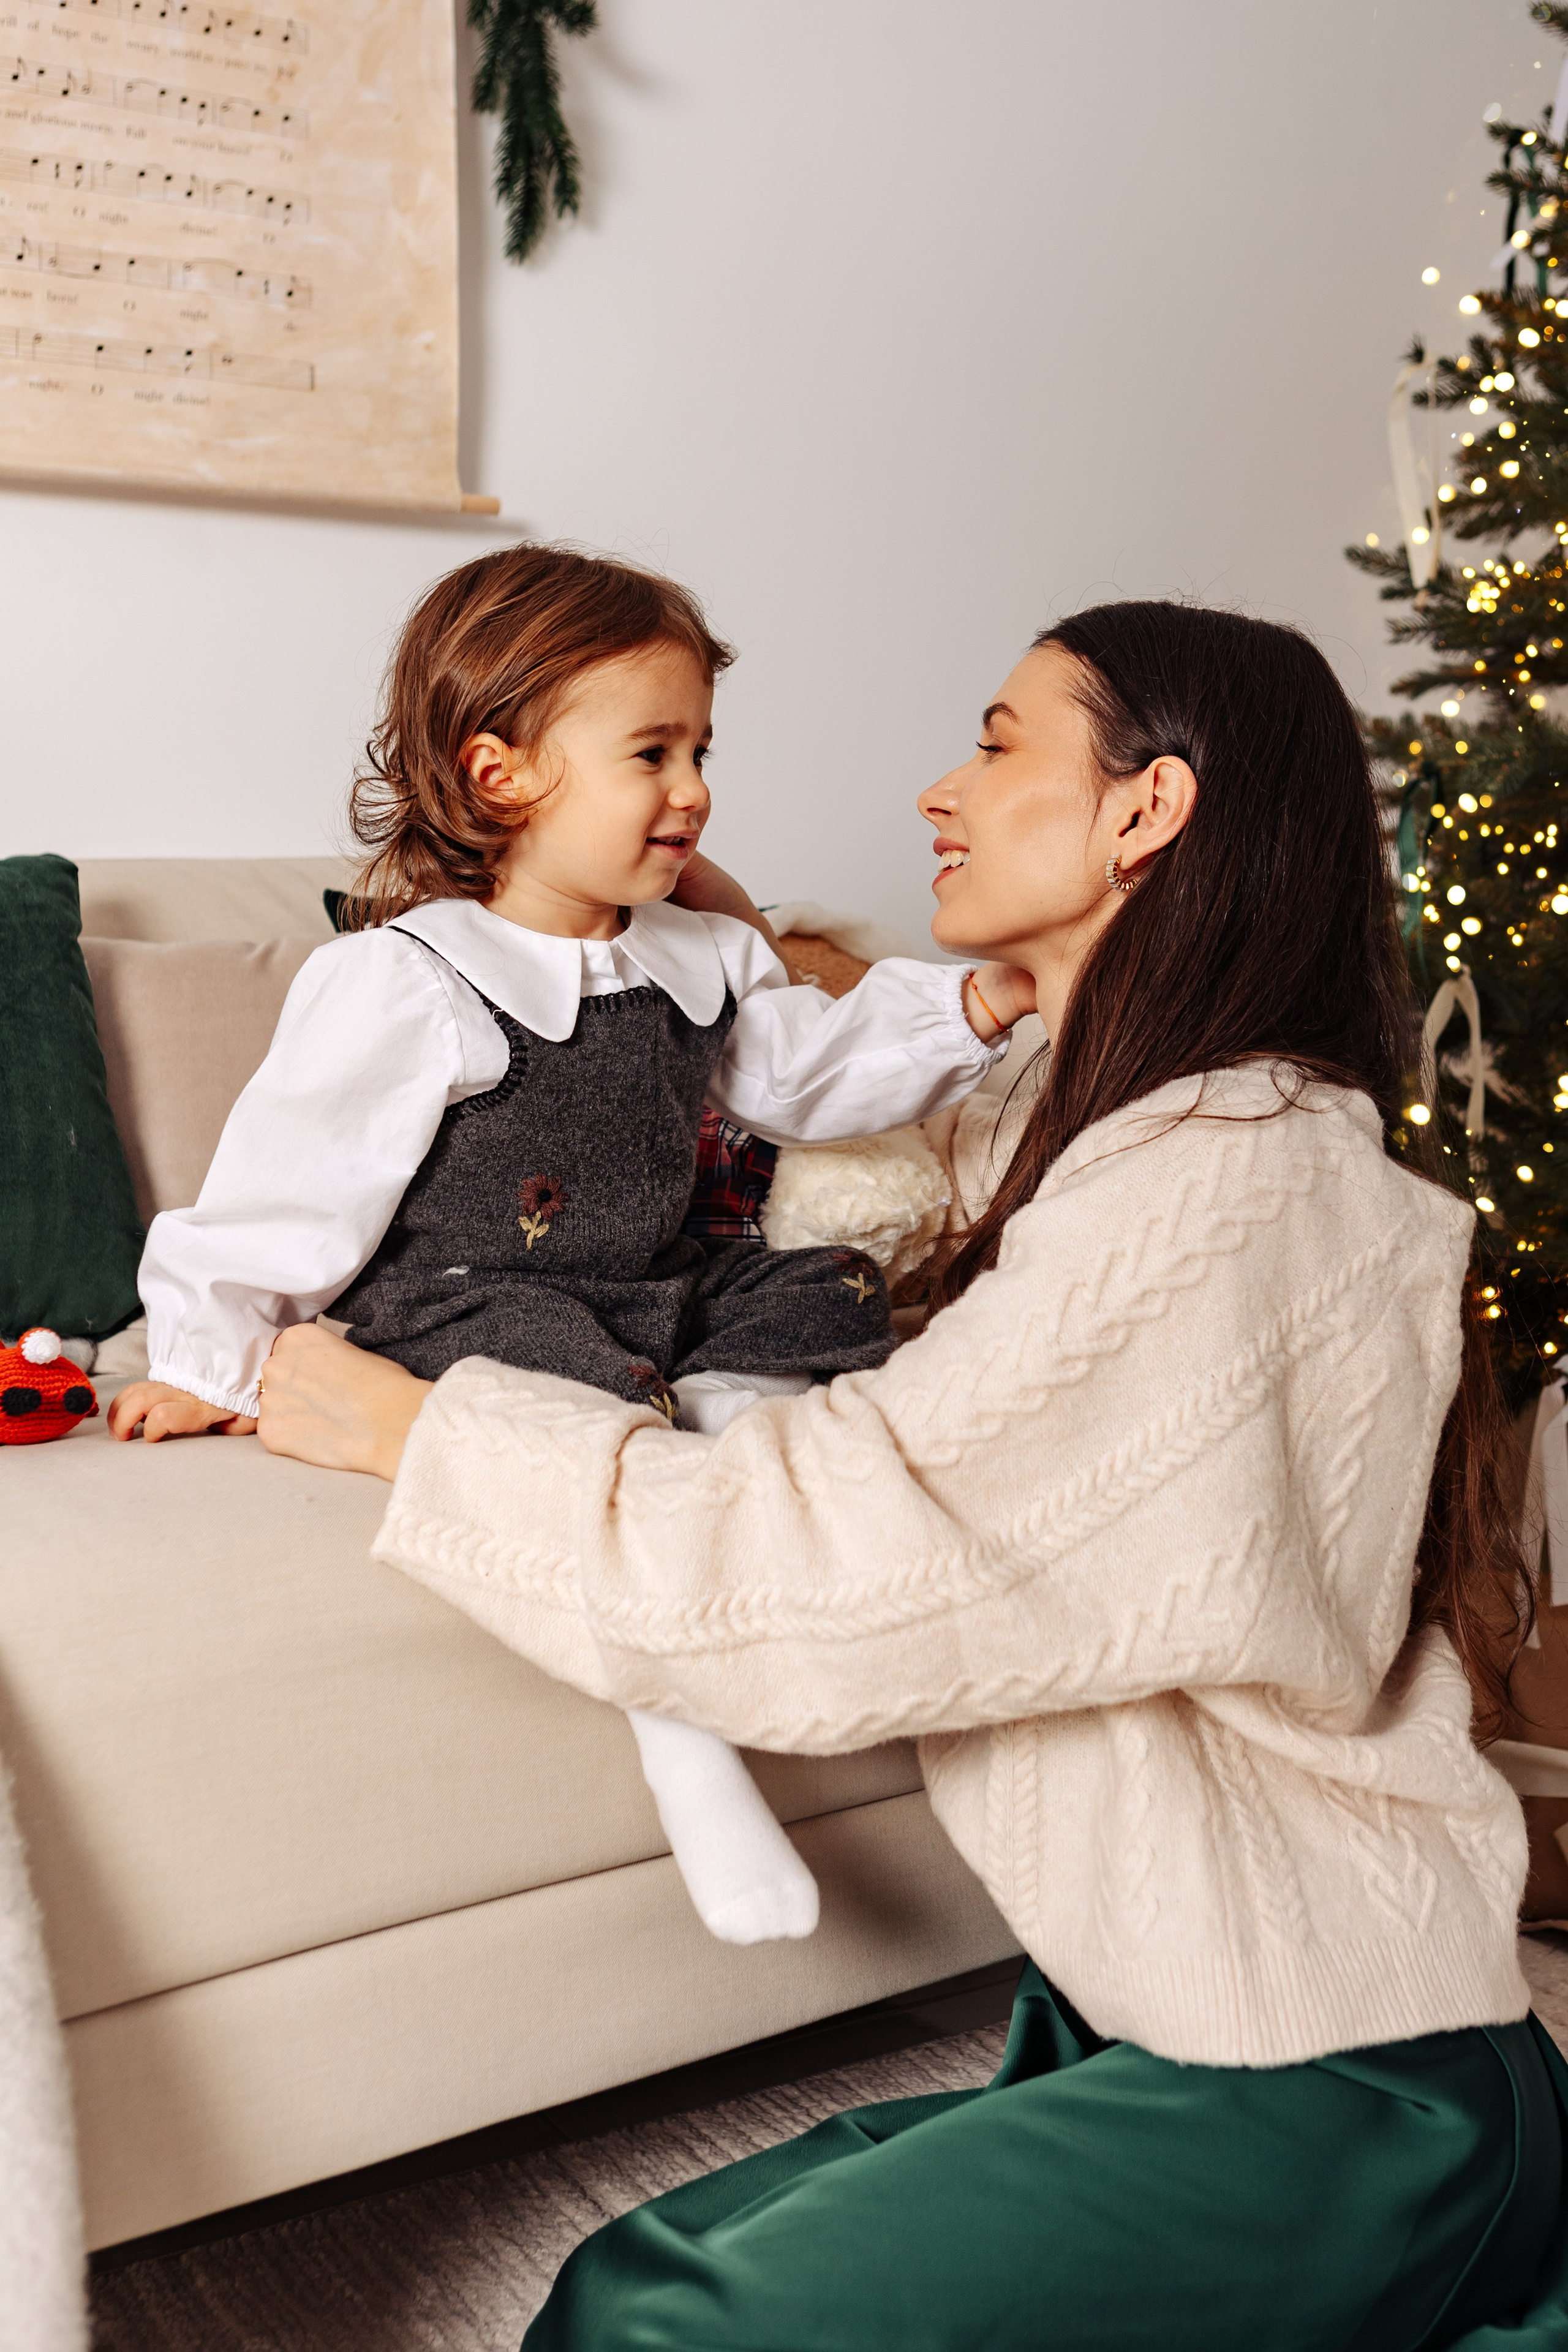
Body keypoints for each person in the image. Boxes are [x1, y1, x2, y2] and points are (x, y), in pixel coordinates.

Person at [251, 600, 1568, 2350]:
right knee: (645, 2265)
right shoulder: (1116, 1116)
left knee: (649, 2325)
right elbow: (863, 1157)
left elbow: (840, 1557)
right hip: (1166, 2014)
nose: (941, 790)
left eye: (1001, 741)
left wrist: (413, 1427)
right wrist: (680, 959)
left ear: (1144, 811)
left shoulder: (1238, 1188)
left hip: (1339, 2072)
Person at [107, 543, 1030, 1949]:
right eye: (651, 754)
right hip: (470, 1305)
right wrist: (213, 1356)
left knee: (831, 1289)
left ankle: (718, 1458)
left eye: (701, 749)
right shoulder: (406, 978)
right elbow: (284, 1189)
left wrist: (968, 1012)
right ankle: (688, 1747)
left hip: (650, 1293)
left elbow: (802, 1077)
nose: (694, 791)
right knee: (571, 1383)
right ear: (502, 776)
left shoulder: (701, 957)